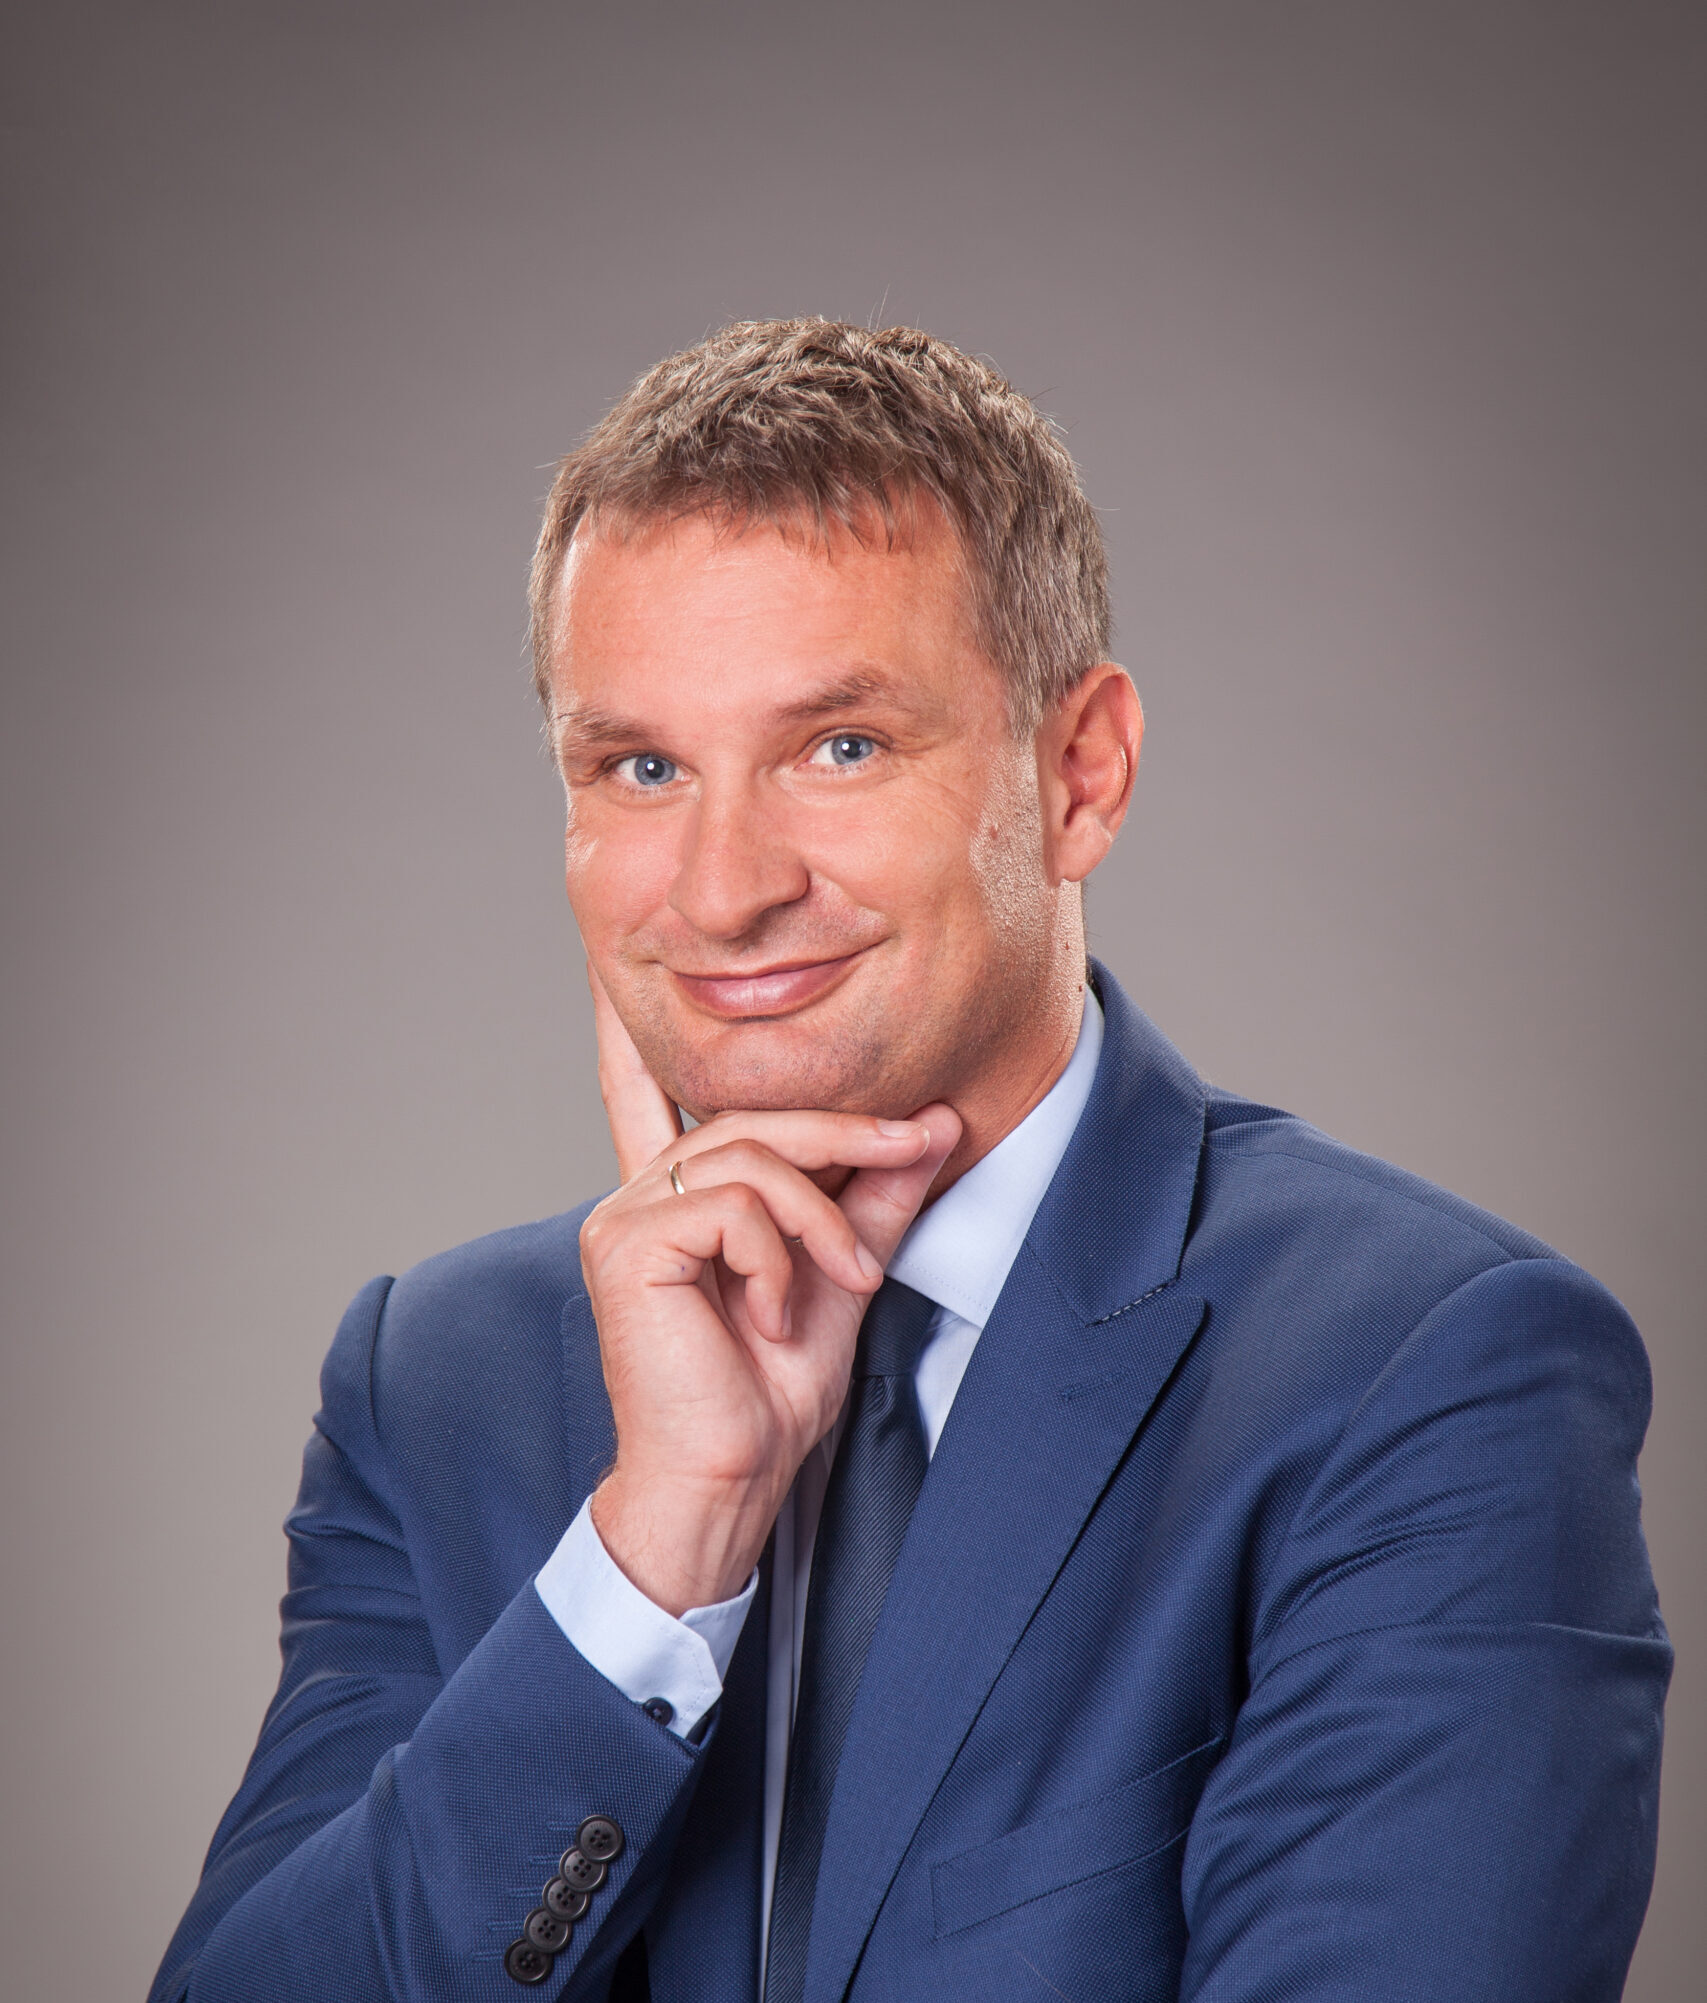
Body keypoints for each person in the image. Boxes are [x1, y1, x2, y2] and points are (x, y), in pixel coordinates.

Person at [148, 320, 1669, 2003]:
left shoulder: (1428, 1374)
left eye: (841, 748)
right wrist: (658, 1549)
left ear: (1079, 774)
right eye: (642, 768)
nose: (722, 890)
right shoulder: (435, 1381)